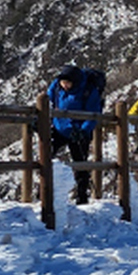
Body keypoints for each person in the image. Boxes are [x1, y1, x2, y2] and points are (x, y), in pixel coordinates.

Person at [47, 64, 105, 205]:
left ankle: (82, 195)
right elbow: (47, 102)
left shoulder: (87, 90)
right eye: (63, 82)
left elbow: (94, 113)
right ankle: (45, 193)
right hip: (59, 127)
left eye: (68, 83)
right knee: (45, 157)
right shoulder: (56, 87)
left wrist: (84, 131)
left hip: (78, 131)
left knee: (80, 164)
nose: (65, 85)